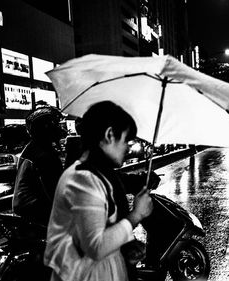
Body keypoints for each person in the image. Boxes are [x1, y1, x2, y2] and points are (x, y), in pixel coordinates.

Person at [44, 101, 156, 281]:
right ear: (109, 134)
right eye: (126, 139)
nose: (128, 147)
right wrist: (137, 215)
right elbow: (95, 247)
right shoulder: (82, 180)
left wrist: (124, 247)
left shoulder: (97, 175)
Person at [12, 106, 65, 225]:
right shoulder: (44, 154)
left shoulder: (33, 147)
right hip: (35, 208)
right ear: (46, 128)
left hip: (27, 206)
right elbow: (54, 190)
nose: (60, 128)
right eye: (56, 124)